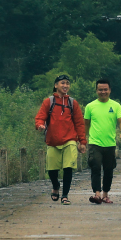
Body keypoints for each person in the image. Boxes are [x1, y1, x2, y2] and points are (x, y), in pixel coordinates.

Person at [34, 74, 87, 204]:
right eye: (62, 83)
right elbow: (40, 117)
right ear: (56, 85)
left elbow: (79, 123)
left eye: (67, 83)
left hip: (70, 140)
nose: (65, 85)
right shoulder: (49, 102)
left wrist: (82, 141)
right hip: (53, 140)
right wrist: (40, 125)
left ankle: (65, 196)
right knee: (52, 170)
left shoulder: (72, 103)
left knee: (68, 168)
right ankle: (56, 186)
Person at [82, 79, 121, 204]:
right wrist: (83, 139)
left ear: (110, 90)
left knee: (109, 170)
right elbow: (86, 124)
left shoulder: (116, 105)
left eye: (105, 89)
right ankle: (96, 193)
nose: (103, 92)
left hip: (110, 143)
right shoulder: (90, 106)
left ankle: (105, 194)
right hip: (94, 142)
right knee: (95, 167)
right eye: (100, 90)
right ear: (96, 91)